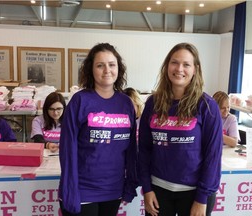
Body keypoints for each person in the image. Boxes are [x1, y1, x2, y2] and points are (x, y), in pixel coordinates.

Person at [138, 43, 223, 216]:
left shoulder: (207, 106)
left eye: (186, 64)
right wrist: (146, 189)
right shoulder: (153, 103)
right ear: (167, 66)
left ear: (195, 69)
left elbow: (213, 156)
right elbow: (144, 150)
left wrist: (201, 198)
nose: (179, 69)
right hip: (158, 190)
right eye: (174, 62)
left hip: (194, 193)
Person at [58, 43, 138, 216]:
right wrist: (69, 189)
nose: (107, 70)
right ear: (91, 70)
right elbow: (67, 150)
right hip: (83, 190)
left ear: (119, 68)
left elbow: (131, 149)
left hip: (113, 189)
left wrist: (130, 183)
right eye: (100, 65)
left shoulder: (126, 103)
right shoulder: (79, 101)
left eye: (111, 64)